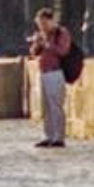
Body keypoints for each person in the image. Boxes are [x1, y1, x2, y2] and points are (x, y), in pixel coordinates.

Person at [28, 8, 72, 149]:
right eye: (40, 24)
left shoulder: (61, 33)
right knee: (45, 106)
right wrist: (37, 44)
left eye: (44, 23)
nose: (42, 26)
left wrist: (48, 44)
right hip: (42, 72)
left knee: (55, 105)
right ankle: (49, 135)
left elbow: (63, 51)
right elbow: (34, 53)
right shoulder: (42, 34)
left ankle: (59, 137)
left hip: (55, 72)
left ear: (51, 21)